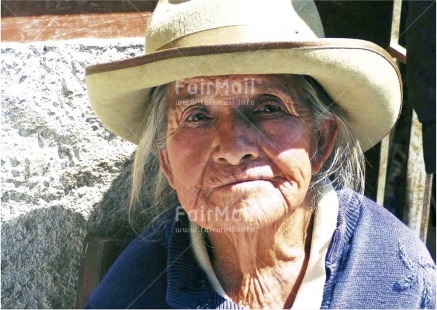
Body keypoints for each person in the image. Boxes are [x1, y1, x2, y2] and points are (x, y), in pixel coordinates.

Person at [84, 0, 435, 308]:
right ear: (166, 162)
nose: (235, 149)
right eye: (197, 115)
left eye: (268, 107)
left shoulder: (398, 275)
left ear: (321, 142)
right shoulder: (131, 293)